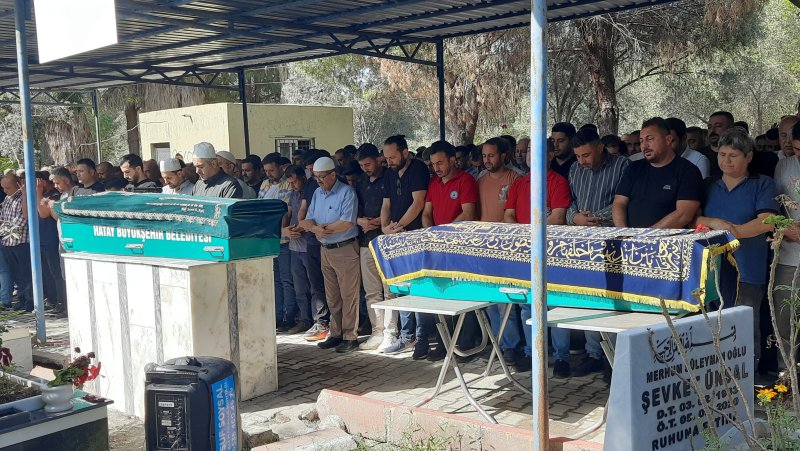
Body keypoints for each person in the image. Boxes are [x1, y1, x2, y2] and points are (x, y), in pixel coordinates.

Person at [695, 127, 778, 370]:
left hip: (748, 268)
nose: (726, 160)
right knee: (711, 324)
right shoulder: (708, 184)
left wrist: (733, 233)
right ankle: (712, 376)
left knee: (743, 325)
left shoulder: (762, 183)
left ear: (748, 156)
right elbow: (693, 218)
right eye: (722, 154)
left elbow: (767, 221)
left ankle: (746, 378)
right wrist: (714, 223)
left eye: (733, 155)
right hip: (709, 270)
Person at [562, 128, 630, 378]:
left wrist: (594, 218)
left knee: (613, 298)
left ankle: (615, 358)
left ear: (601, 147)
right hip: (582, 242)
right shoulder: (574, 169)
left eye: (587, 155)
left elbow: (622, 202)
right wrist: (574, 217)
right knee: (590, 296)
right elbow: (570, 202)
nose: (582, 161)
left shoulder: (623, 165)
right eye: (578, 156)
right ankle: (593, 353)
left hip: (612, 240)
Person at [505, 137, 569, 372]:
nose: (531, 154)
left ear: (551, 155)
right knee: (526, 305)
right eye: (529, 150)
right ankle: (533, 353)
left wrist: (533, 228)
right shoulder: (520, 184)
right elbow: (509, 215)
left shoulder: (558, 182)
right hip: (523, 250)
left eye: (538, 150)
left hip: (551, 250)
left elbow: (559, 217)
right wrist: (528, 232)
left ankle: (561, 357)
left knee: (554, 303)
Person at [421, 140, 478, 361]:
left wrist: (445, 233)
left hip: (461, 247)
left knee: (464, 296)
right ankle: (445, 343)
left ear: (453, 160)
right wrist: (432, 234)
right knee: (442, 296)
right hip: (438, 247)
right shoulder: (434, 184)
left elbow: (468, 213)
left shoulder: (466, 180)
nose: (437, 167)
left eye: (441, 162)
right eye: (433, 164)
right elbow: (427, 212)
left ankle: (465, 344)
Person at [299, 157, 361, 354]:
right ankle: (336, 333)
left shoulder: (346, 192)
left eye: (322, 177)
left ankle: (350, 336)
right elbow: (307, 220)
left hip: (344, 248)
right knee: (332, 296)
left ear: (333, 174)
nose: (318, 181)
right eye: (315, 177)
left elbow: (347, 222)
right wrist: (316, 228)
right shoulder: (317, 193)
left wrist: (323, 230)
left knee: (348, 295)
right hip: (325, 249)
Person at [380, 135, 431, 357]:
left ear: (405, 153)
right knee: (401, 290)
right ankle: (406, 336)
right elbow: (386, 204)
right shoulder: (389, 174)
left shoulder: (418, 169)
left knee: (418, 290)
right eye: (386, 158)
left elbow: (418, 203)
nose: (389, 161)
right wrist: (384, 228)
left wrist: (399, 225)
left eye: (392, 157)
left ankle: (422, 339)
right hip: (397, 237)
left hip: (416, 236)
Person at [613, 117, 704, 229]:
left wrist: (647, 235)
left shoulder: (688, 171)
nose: (644, 146)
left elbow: (684, 214)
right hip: (630, 239)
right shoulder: (633, 168)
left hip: (668, 242)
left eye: (650, 139)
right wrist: (623, 232)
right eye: (641, 141)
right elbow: (619, 203)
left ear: (668, 139)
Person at [478, 136, 522, 364]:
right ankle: (498, 344)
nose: (487, 160)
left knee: (506, 300)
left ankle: (512, 347)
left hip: (507, 247)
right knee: (489, 301)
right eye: (484, 156)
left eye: (491, 155)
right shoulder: (480, 180)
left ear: (503, 155)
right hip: (483, 247)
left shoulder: (515, 178)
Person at [354, 144, 395, 351]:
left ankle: (391, 332)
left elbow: (394, 205)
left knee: (389, 290)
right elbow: (355, 209)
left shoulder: (390, 177)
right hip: (365, 241)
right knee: (371, 291)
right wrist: (361, 221)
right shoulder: (360, 182)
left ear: (379, 159)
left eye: (368, 164)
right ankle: (376, 331)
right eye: (361, 165)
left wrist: (381, 220)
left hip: (386, 240)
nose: (365, 168)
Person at [259, 152, 296, 331]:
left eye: (272, 170)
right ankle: (277, 316)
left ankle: (289, 316)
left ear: (281, 168)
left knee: (286, 279)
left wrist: (280, 230)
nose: (269, 174)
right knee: (275, 280)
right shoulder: (265, 184)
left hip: (284, 238)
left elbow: (286, 211)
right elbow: (259, 207)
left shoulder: (289, 183)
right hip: (268, 239)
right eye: (266, 170)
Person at [773, 118, 800, 366]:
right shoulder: (783, 166)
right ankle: (786, 374)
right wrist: (785, 226)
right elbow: (773, 209)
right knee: (785, 315)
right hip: (789, 255)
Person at [282, 165, 318, 335]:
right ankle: (304, 319)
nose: (293, 185)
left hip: (308, 246)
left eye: (295, 181)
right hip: (293, 247)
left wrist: (300, 228)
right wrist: (285, 230)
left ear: (303, 178)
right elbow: (288, 214)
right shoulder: (293, 194)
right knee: (299, 288)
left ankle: (317, 321)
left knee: (314, 286)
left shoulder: (311, 192)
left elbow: (310, 217)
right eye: (290, 182)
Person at [0, 174, 32, 312]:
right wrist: (5, 227)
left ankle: (30, 301)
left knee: (25, 274)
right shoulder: (7, 199)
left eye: (8, 187)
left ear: (18, 185)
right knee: (15, 274)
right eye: (3, 188)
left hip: (21, 242)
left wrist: (5, 227)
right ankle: (21, 299)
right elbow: (2, 219)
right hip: (8, 242)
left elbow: (23, 220)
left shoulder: (22, 198)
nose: (5, 190)